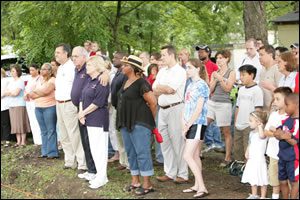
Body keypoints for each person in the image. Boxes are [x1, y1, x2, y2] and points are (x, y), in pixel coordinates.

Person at [117, 55, 157, 195]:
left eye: (126, 65)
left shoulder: (142, 83)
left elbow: (153, 103)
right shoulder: (126, 81)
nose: (123, 67)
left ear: (134, 68)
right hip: (126, 122)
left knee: (142, 153)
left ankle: (147, 184)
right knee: (131, 153)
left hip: (140, 123)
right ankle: (135, 181)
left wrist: (149, 121)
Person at [153, 45, 189, 184]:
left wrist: (162, 88)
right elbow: (154, 88)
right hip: (162, 109)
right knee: (164, 141)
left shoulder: (180, 71)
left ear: (171, 55)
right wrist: (163, 88)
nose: (161, 58)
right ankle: (170, 172)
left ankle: (183, 173)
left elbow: (171, 90)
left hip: (175, 108)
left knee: (178, 142)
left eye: (163, 55)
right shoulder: (162, 71)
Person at [78, 56, 110, 189]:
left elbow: (99, 102)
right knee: (93, 148)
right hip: (88, 119)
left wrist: (83, 113)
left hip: (98, 119)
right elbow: (81, 97)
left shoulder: (102, 81)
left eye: (90, 65)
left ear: (97, 66)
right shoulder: (89, 80)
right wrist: (81, 112)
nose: (87, 67)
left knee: (99, 149)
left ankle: (102, 177)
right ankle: (98, 174)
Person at [54, 43, 87, 172]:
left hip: (69, 104)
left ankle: (82, 163)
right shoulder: (60, 68)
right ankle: (69, 160)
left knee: (74, 134)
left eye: (58, 52)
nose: (56, 55)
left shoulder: (72, 67)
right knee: (64, 134)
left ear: (65, 53)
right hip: (59, 103)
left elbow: (78, 87)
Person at [182, 58, 209, 198]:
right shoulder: (190, 84)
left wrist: (188, 125)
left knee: (187, 155)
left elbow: (199, 109)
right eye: (186, 67)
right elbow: (186, 106)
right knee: (194, 155)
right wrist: (183, 124)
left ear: (198, 69)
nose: (187, 70)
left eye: (190, 67)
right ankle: (197, 185)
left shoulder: (202, 85)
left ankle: (202, 186)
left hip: (197, 123)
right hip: (189, 123)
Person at [207, 50, 236, 166]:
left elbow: (228, 88)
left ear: (227, 59)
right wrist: (214, 78)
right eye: (217, 58)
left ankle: (228, 157)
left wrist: (220, 78)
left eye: (221, 58)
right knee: (203, 125)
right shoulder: (216, 72)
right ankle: (197, 153)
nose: (219, 60)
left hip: (224, 104)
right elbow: (210, 90)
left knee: (226, 131)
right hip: (212, 102)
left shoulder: (231, 72)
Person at [264, 87, 292, 199]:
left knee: (290, 180)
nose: (274, 101)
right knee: (274, 180)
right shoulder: (274, 115)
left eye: (277, 99)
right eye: (274, 98)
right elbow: (266, 131)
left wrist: (275, 131)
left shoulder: (292, 117)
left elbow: (290, 135)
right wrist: (279, 134)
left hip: (288, 155)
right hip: (273, 153)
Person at [28, 63, 59, 159]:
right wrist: (37, 92)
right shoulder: (39, 80)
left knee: (51, 130)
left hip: (49, 107)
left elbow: (46, 91)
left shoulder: (53, 80)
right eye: (41, 69)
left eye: (45, 69)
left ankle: (52, 152)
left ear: (50, 71)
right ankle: (44, 151)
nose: (42, 71)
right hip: (38, 108)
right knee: (43, 131)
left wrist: (35, 92)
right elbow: (30, 94)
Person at [234, 64, 264, 161]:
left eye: (243, 75)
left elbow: (258, 109)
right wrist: (235, 121)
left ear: (251, 75)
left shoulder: (257, 90)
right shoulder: (241, 89)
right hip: (238, 124)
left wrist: (255, 125)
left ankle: (247, 170)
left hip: (249, 125)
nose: (241, 77)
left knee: (247, 147)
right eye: (240, 75)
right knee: (238, 148)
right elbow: (237, 107)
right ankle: (239, 167)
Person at [274, 93, 299, 199]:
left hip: (293, 158)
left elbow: (294, 141)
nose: (285, 107)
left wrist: (284, 136)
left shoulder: (297, 122)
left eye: (287, 105)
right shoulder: (286, 119)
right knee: (282, 181)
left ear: (296, 105)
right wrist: (281, 135)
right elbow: (277, 132)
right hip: (282, 156)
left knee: (294, 182)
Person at [241, 111, 268, 199]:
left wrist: (260, 126)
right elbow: (250, 143)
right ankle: (254, 194)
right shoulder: (251, 133)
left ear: (258, 122)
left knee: (262, 177)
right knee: (253, 177)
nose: (249, 122)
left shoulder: (263, 133)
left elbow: (261, 136)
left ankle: (263, 196)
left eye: (251, 120)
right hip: (252, 159)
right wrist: (247, 151)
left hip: (259, 159)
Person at [110, 52, 130, 171]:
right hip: (116, 107)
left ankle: (128, 162)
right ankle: (123, 161)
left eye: (116, 58)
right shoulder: (117, 72)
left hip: (123, 108)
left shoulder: (125, 73)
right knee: (118, 135)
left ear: (123, 60)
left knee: (124, 135)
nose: (113, 59)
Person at [4, 65, 31, 147]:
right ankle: (18, 141)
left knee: (21, 123)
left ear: (17, 72)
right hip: (11, 104)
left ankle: (23, 141)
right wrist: (10, 92)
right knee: (15, 124)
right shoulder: (11, 81)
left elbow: (16, 93)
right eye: (11, 71)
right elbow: (6, 91)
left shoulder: (20, 81)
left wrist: (10, 93)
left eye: (13, 71)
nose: (12, 73)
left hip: (19, 104)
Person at [258, 45, 282, 110]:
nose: (259, 57)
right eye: (259, 55)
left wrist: (270, 87)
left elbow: (282, 93)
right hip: (263, 109)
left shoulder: (278, 69)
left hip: (275, 110)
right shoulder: (262, 70)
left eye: (261, 55)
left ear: (270, 55)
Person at [24, 63, 42, 145]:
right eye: (30, 70)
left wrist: (30, 94)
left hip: (36, 101)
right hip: (29, 102)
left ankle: (41, 140)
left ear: (37, 70)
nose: (31, 72)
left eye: (32, 70)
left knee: (37, 121)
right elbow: (26, 89)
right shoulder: (29, 79)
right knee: (32, 121)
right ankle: (36, 140)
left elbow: (38, 90)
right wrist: (25, 95)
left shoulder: (40, 78)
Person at [1, 68, 12, 147]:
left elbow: (6, 92)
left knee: (5, 123)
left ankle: (7, 139)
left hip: (4, 105)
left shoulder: (6, 81)